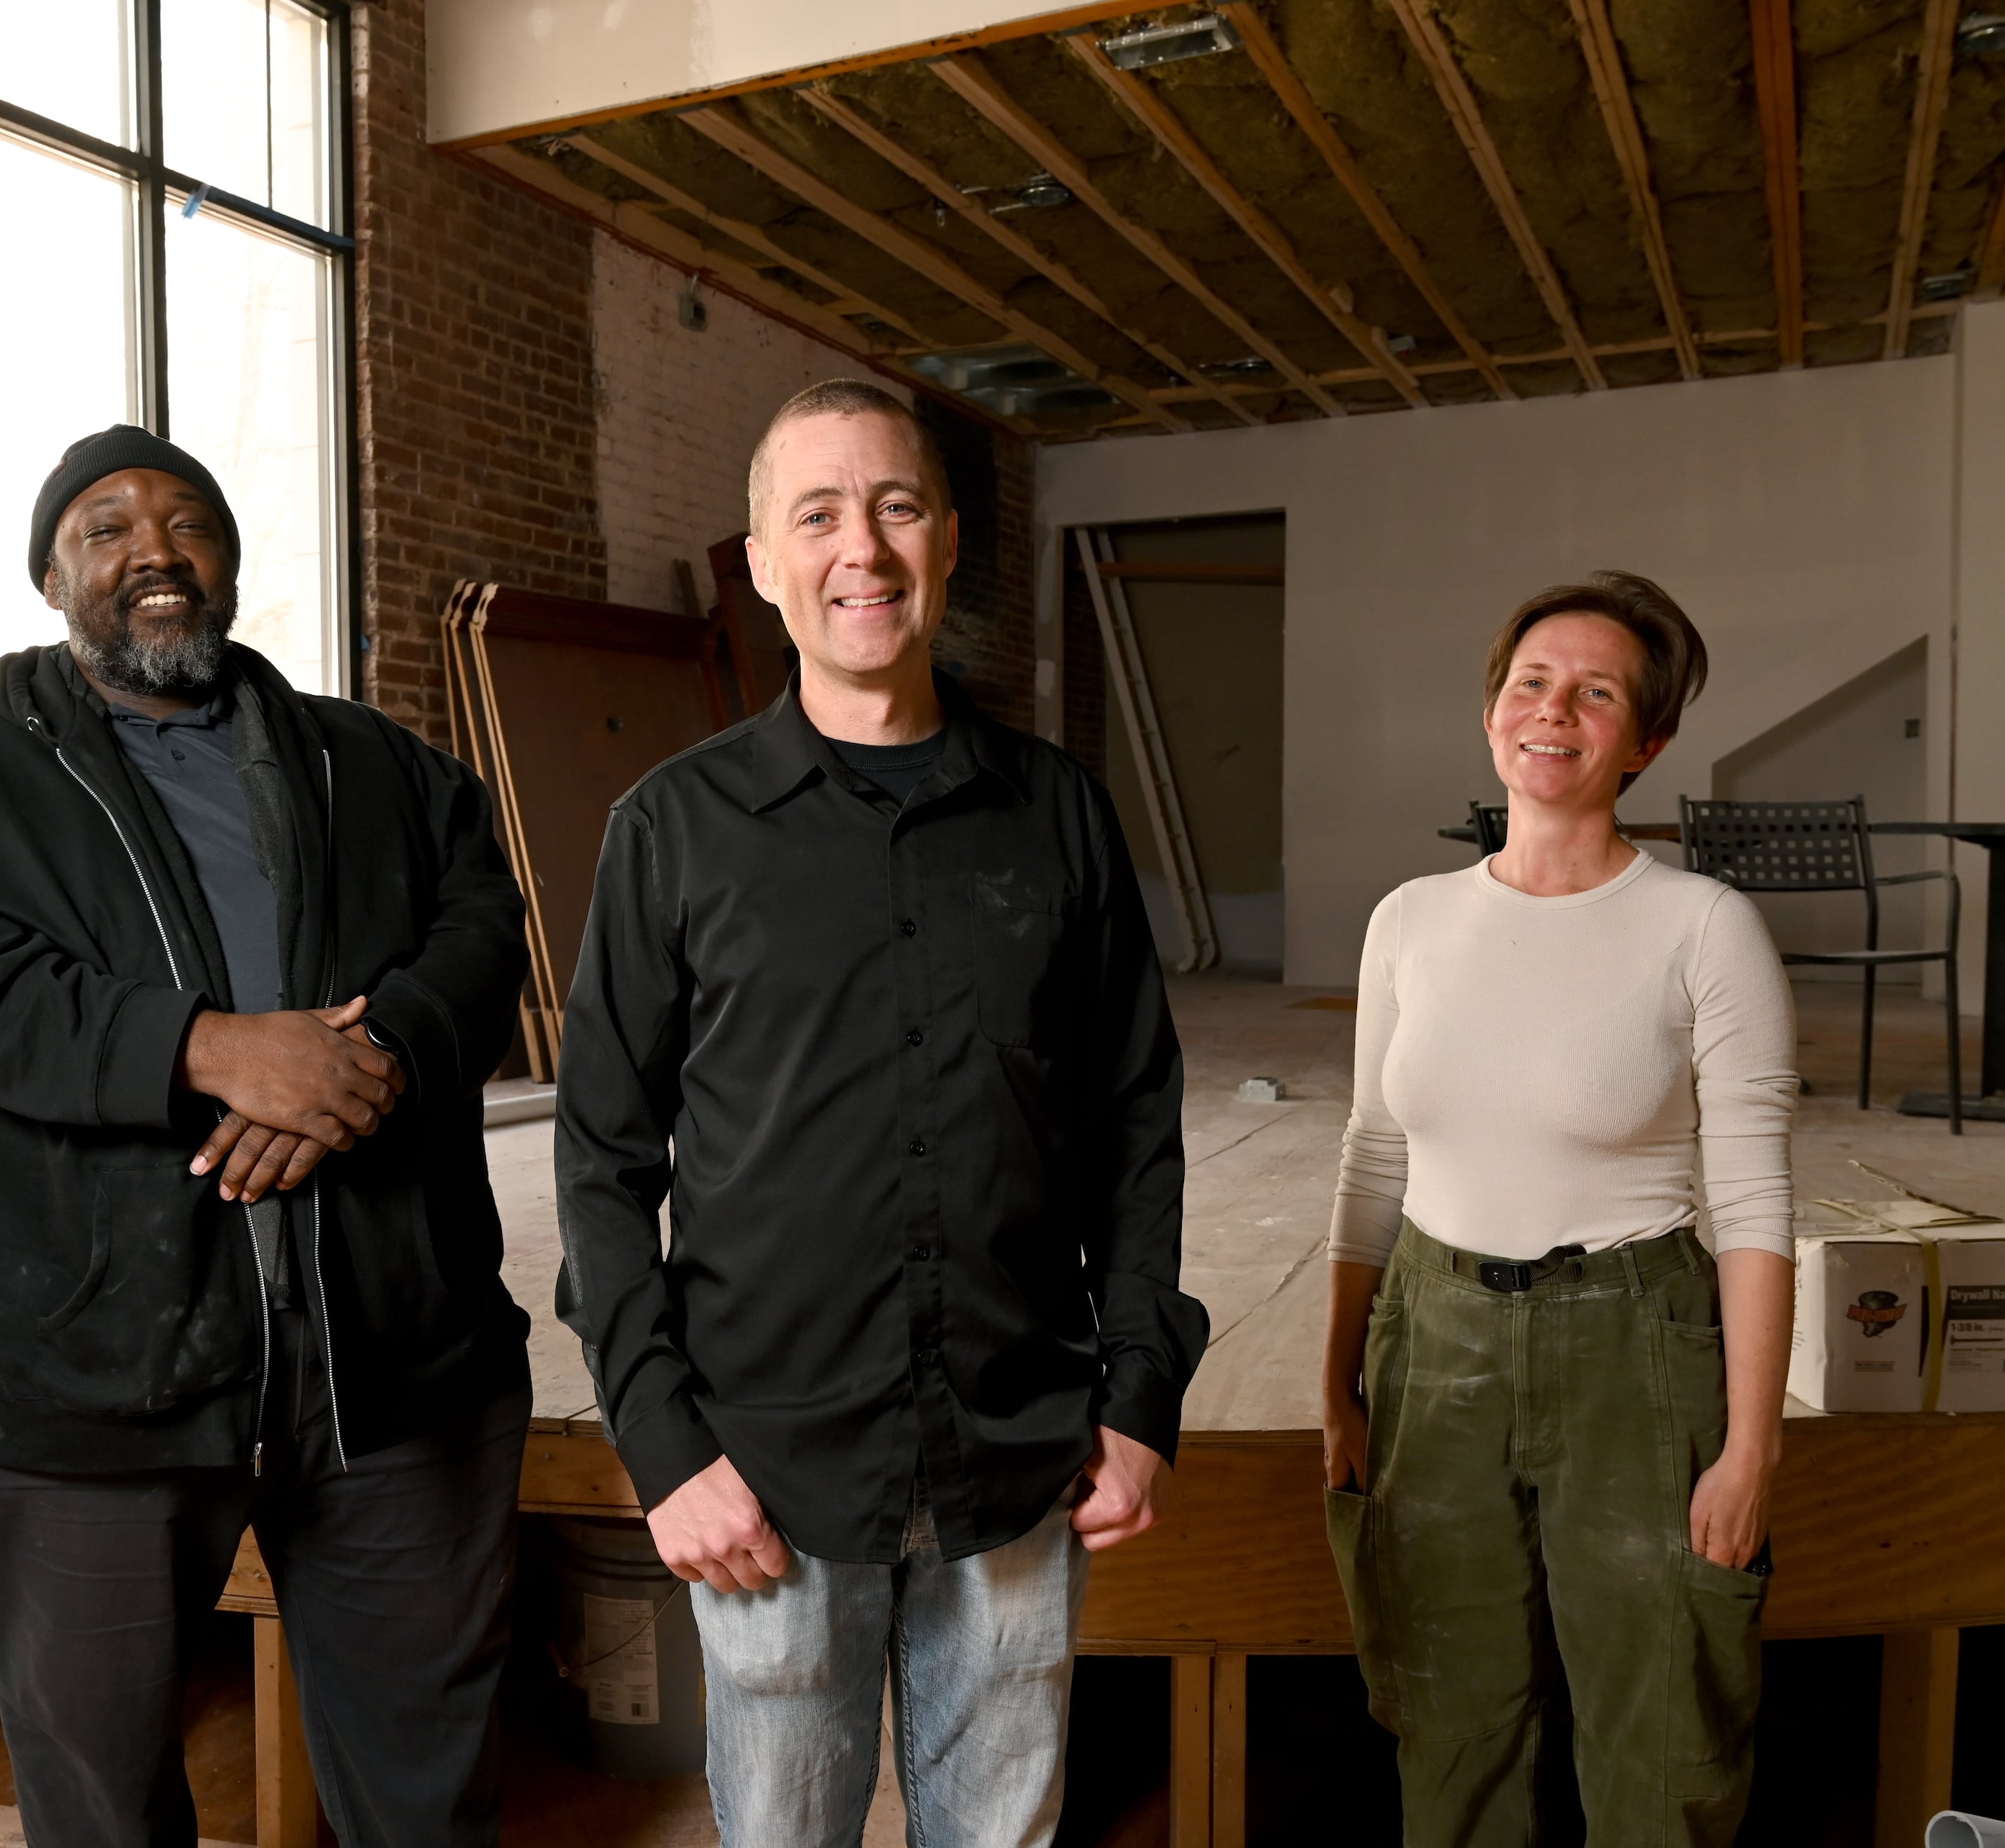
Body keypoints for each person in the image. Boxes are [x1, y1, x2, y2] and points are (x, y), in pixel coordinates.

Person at [0, 426, 533, 1848]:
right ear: (51, 582)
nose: (154, 548)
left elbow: (483, 922)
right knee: (101, 1796)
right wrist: (209, 1051)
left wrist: (376, 1059)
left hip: (390, 1363)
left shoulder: (370, 763)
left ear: (226, 562)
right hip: (86, 1379)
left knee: (428, 1781)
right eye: (105, 528)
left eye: (187, 522)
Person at [555, 378, 1209, 1847]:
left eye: (897, 506)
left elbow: (1134, 1122)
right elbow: (600, 1161)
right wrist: (663, 1449)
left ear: (950, 541)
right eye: (819, 515)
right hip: (767, 1474)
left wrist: (1140, 1389)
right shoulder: (673, 829)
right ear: (764, 561)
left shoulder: (1058, 814)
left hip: (1020, 1449)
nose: (863, 547)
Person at [1319, 572, 1799, 1847]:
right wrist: (1336, 1385)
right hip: (1431, 1343)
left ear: (1646, 742)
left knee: (1662, 1738)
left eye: (1596, 694)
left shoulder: (1704, 928)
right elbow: (1373, 1157)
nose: (1552, 710)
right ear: (1492, 712)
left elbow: (1755, 1204)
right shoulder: (1410, 921)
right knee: (1451, 1724)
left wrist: (1751, 1450)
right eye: (1531, 683)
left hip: (1633, 1351)